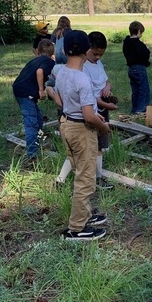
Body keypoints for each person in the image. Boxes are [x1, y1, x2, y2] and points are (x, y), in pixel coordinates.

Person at [55, 30, 110, 242]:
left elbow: (59, 99)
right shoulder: (82, 79)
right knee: (86, 179)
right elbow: (89, 115)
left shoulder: (61, 72)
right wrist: (102, 126)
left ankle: (85, 214)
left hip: (66, 124)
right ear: (87, 49)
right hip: (81, 129)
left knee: (80, 171)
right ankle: (77, 229)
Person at [56, 31, 117, 190]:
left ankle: (71, 180)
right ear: (86, 49)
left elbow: (105, 81)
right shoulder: (82, 71)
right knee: (87, 154)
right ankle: (92, 180)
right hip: (88, 116)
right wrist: (103, 124)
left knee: (92, 150)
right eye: (95, 53)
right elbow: (87, 105)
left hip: (92, 112)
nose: (97, 57)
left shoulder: (65, 70)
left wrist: (107, 90)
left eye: (100, 55)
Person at [12, 39, 55, 161]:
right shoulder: (48, 61)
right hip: (25, 93)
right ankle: (32, 155)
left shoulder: (35, 60)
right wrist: (41, 90)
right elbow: (40, 72)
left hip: (20, 89)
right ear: (52, 53)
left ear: (38, 51)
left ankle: (38, 143)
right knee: (31, 122)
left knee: (39, 119)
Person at [123, 20, 151, 114]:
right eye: (141, 32)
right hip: (139, 68)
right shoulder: (139, 44)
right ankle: (141, 110)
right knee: (144, 90)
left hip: (131, 69)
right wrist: (147, 50)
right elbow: (144, 56)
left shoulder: (126, 43)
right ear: (139, 31)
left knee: (135, 90)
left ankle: (134, 109)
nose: (141, 35)